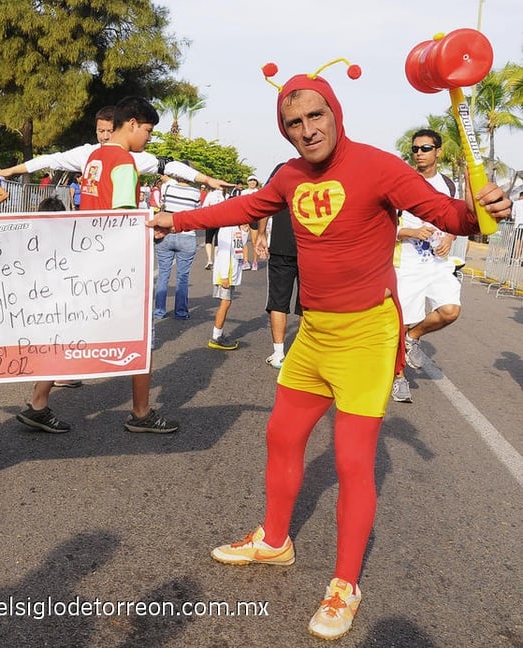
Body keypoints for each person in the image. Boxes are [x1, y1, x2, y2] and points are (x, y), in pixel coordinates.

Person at [148, 68, 511, 640]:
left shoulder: (379, 166)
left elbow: (449, 216)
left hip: (367, 336)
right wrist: (176, 219)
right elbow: (243, 210)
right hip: (314, 333)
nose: (307, 129)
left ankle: (345, 584)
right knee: (282, 436)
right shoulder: (290, 175)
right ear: (285, 130)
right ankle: (274, 541)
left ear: (336, 113)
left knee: (350, 461)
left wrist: (485, 209)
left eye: (316, 116)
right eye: (294, 122)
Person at [81, 96, 178, 434]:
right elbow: (124, 217)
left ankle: (38, 401)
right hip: (116, 264)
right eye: (148, 130)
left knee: (71, 328)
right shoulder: (124, 162)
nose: (148, 138)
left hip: (87, 254)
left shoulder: (95, 156)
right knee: (142, 336)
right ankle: (140, 411)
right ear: (133, 123)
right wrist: (154, 231)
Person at [0, 106, 231, 192]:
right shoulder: (86, 153)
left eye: (109, 131)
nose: (105, 136)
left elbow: (169, 165)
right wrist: (10, 171)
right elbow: (48, 160)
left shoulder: (134, 158)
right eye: (100, 131)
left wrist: (207, 180)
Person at [391, 129, 463, 403]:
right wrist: (409, 233)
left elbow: (456, 219)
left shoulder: (448, 185)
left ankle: (414, 336)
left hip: (438, 263)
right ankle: (399, 378)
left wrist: (450, 236)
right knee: (398, 322)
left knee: (450, 311)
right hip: (406, 262)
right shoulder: (402, 183)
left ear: (438, 151)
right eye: (415, 149)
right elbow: (385, 226)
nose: (419, 153)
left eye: (425, 148)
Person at [15, 196, 77, 433]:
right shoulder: (62, 242)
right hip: (53, 309)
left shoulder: (29, 239)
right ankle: (38, 405)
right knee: (56, 351)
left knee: (50, 351)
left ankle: (38, 398)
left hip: (31, 308)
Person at [253, 162, 301, 370]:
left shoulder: (283, 169)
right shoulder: (320, 174)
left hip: (281, 245)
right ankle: (302, 354)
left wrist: (261, 234)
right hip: (311, 248)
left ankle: (279, 353)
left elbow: (266, 203)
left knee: (278, 301)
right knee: (307, 305)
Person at [154, 176, 200, 320]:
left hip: (166, 234)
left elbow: (162, 205)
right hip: (187, 235)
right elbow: (197, 212)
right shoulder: (196, 192)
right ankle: (181, 312)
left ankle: (159, 311)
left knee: (163, 274)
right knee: (183, 277)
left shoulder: (167, 188)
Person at [207, 223, 246, 350]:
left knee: (226, 302)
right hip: (226, 272)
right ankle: (216, 336)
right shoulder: (226, 228)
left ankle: (218, 334)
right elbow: (223, 252)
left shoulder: (236, 227)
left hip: (231, 271)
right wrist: (224, 275)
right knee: (225, 302)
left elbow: (239, 246)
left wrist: (244, 232)